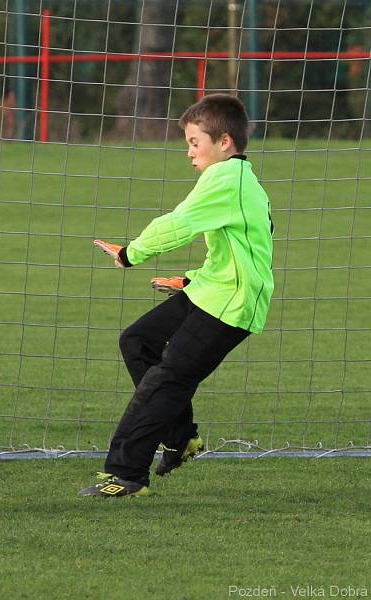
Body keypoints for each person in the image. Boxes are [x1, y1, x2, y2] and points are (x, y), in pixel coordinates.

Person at [80, 94, 274, 498]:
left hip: (231, 305)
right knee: (137, 341)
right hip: (211, 290)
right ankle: (181, 438)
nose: (189, 152)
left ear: (224, 142)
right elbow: (239, 251)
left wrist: (130, 254)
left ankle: (127, 476)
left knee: (165, 380)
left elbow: (178, 224)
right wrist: (190, 281)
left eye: (194, 142)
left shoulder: (227, 179)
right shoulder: (235, 180)